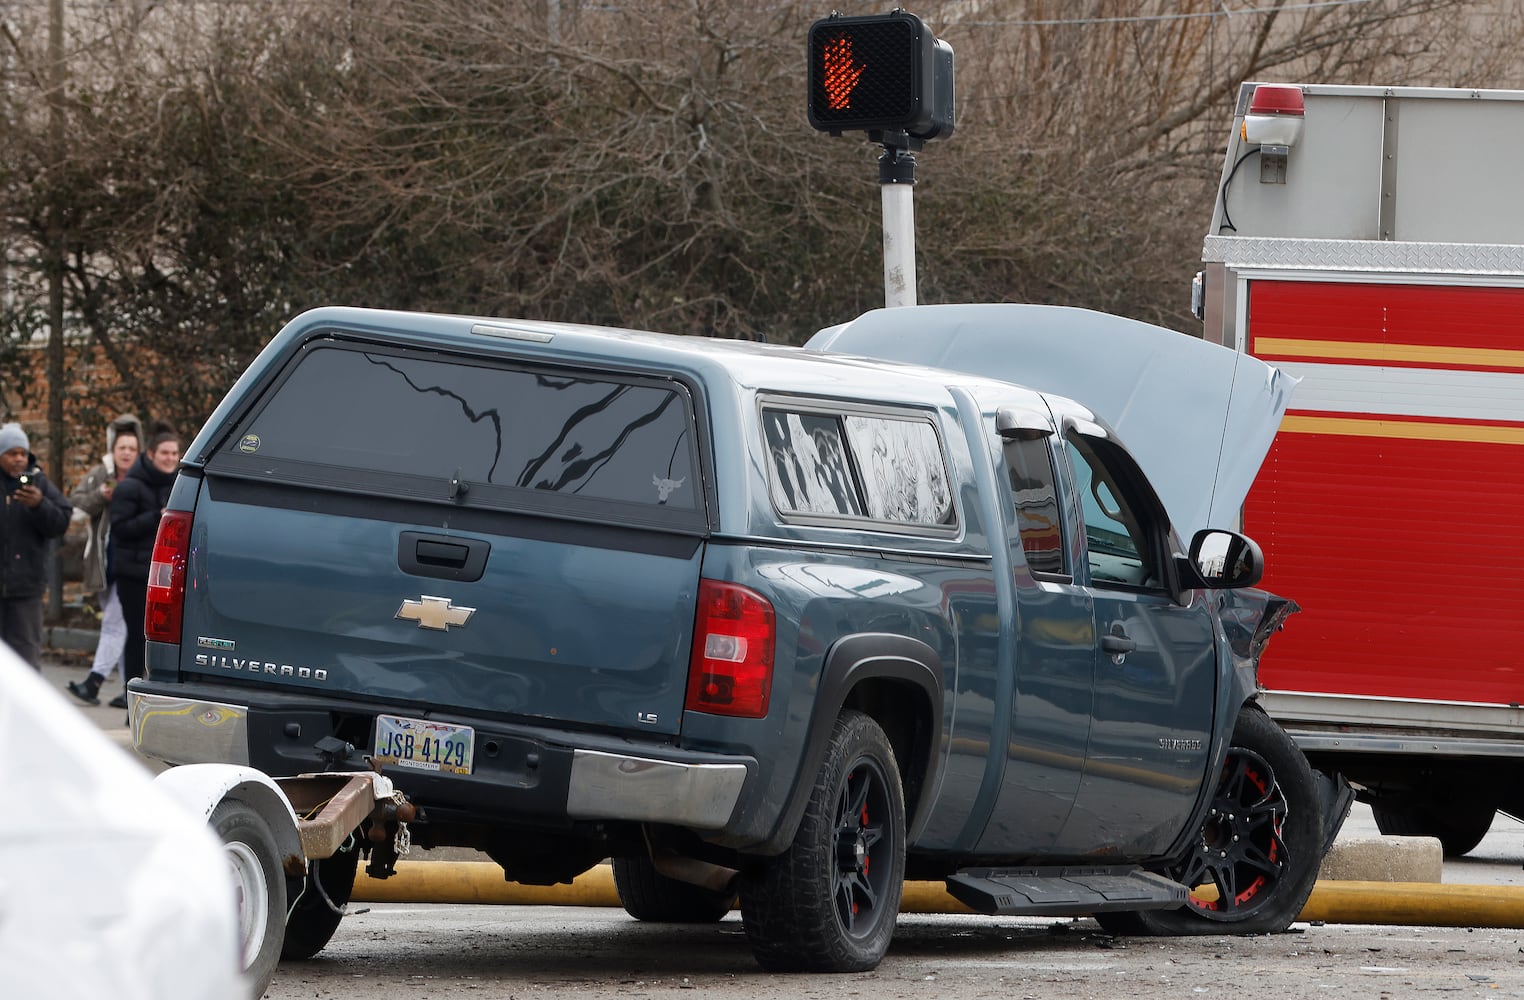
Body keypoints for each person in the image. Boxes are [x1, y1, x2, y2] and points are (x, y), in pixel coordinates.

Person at [65, 414, 143, 707]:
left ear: (138, 451)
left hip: (132, 564)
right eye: (121, 447)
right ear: (112, 449)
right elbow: (75, 505)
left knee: (114, 623)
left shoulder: (142, 479)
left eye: (131, 448)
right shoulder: (101, 475)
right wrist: (101, 496)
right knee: (121, 627)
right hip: (102, 563)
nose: (126, 453)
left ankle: (94, 682)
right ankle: (129, 691)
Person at [110, 425, 180, 702]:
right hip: (134, 575)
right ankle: (130, 698)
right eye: (165, 453)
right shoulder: (129, 486)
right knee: (138, 638)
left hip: (166, 576)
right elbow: (121, 528)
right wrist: (157, 517)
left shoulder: (179, 485)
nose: (170, 458)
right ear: (151, 454)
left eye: (175, 453)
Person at [0, 422, 74, 669]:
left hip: (26, 587)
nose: (18, 459)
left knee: (25, 658)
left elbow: (62, 521)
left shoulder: (39, 484)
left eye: (23, 453)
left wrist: (39, 505)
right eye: (12, 454)